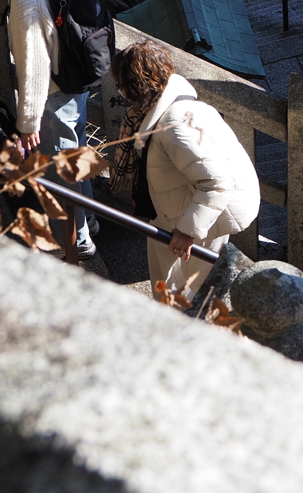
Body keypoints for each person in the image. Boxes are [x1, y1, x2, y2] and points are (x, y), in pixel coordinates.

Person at [0, 0, 97, 258]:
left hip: (53, 96)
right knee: (75, 157)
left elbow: (33, 65)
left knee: (60, 169)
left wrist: (28, 122)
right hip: (74, 83)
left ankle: (74, 241)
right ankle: (88, 222)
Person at [108, 40, 260, 299]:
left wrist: (187, 230)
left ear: (134, 87)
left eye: (122, 85)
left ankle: (184, 316)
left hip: (211, 212)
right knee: (167, 267)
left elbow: (216, 183)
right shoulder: (177, 105)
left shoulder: (175, 126)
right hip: (186, 202)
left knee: (195, 286)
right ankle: (170, 309)